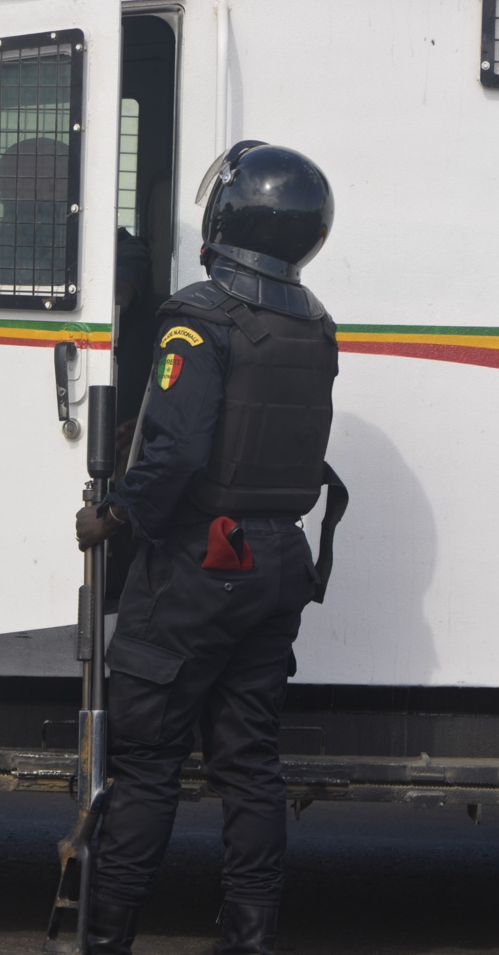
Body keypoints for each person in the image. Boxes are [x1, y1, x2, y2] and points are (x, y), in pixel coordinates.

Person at [75, 142, 342, 955]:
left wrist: (114, 516)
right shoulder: (313, 321)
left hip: (199, 562)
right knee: (249, 762)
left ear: (228, 216)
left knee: (148, 761)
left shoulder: (200, 315)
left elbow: (177, 457)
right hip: (276, 562)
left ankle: (104, 935)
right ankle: (249, 934)